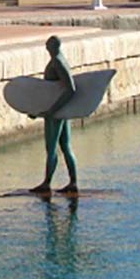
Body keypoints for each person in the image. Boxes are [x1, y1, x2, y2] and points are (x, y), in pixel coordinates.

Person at [30, 36, 79, 194]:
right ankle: (73, 183)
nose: (46, 47)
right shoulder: (59, 59)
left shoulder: (58, 62)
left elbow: (70, 89)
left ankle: (47, 183)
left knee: (51, 148)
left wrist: (52, 110)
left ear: (53, 47)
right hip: (62, 111)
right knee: (65, 147)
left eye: (48, 45)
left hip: (56, 113)